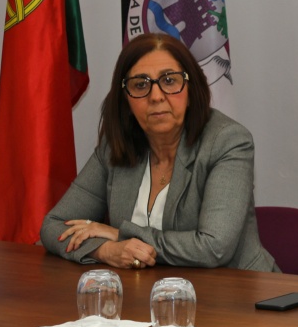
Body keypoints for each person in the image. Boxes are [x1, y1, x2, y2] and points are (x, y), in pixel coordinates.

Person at [40, 33, 277, 272]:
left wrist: (119, 234)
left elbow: (214, 247)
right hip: (147, 291)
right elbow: (54, 225)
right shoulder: (116, 147)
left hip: (236, 290)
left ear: (191, 89)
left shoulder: (227, 141)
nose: (156, 96)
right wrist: (105, 250)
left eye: (169, 80)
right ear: (126, 99)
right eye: (140, 85)